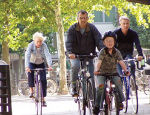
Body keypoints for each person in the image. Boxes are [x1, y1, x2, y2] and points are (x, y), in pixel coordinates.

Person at [65, 10, 103, 97]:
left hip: (88, 55)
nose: (83, 20)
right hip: (75, 55)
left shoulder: (92, 28)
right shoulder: (72, 29)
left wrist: (102, 51)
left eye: (85, 18)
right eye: (81, 18)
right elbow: (69, 43)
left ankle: (92, 98)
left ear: (88, 18)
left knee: (92, 76)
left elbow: (99, 40)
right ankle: (73, 86)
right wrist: (70, 53)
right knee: (75, 66)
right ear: (77, 18)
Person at [93, 31, 130, 115]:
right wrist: (96, 70)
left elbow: (121, 62)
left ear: (114, 42)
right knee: (100, 87)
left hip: (113, 73)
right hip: (101, 73)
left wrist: (126, 70)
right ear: (104, 42)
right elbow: (99, 62)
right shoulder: (102, 51)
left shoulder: (117, 52)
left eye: (111, 41)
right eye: (107, 41)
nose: (109, 43)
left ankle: (120, 101)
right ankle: (97, 106)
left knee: (118, 83)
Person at [25, 32, 53, 107]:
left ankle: (43, 99)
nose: (39, 43)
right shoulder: (30, 45)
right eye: (37, 41)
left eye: (41, 41)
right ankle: (31, 91)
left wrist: (50, 65)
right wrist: (27, 66)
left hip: (41, 62)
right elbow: (27, 55)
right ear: (34, 40)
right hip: (32, 62)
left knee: (43, 80)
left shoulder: (44, 45)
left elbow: (47, 54)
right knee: (30, 73)